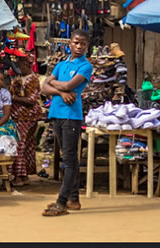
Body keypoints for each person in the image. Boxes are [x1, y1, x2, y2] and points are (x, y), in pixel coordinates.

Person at [41, 29, 93, 216]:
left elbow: (69, 85)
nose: (79, 46)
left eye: (83, 44)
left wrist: (58, 86)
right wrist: (61, 92)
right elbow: (44, 87)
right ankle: (74, 199)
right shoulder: (61, 65)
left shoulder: (86, 66)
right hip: (57, 113)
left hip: (72, 115)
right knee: (67, 157)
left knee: (70, 159)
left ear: (87, 46)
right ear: (69, 43)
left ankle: (61, 201)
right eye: (76, 42)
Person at [9, 54, 43, 186]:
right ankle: (23, 176)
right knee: (25, 146)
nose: (18, 67)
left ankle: (19, 176)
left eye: (20, 65)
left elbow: (31, 100)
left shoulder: (32, 79)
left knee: (20, 145)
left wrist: (12, 98)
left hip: (26, 116)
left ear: (26, 65)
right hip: (20, 115)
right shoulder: (20, 77)